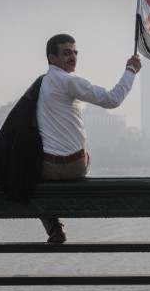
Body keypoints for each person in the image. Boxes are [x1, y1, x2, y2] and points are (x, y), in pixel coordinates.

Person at [38, 34, 141, 243]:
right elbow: (112, 99)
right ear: (52, 58)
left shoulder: (41, 85)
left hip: (47, 168)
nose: (73, 57)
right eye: (66, 53)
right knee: (87, 155)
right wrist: (131, 70)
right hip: (76, 165)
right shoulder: (69, 81)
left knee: (27, 176)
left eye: (75, 52)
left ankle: (54, 227)